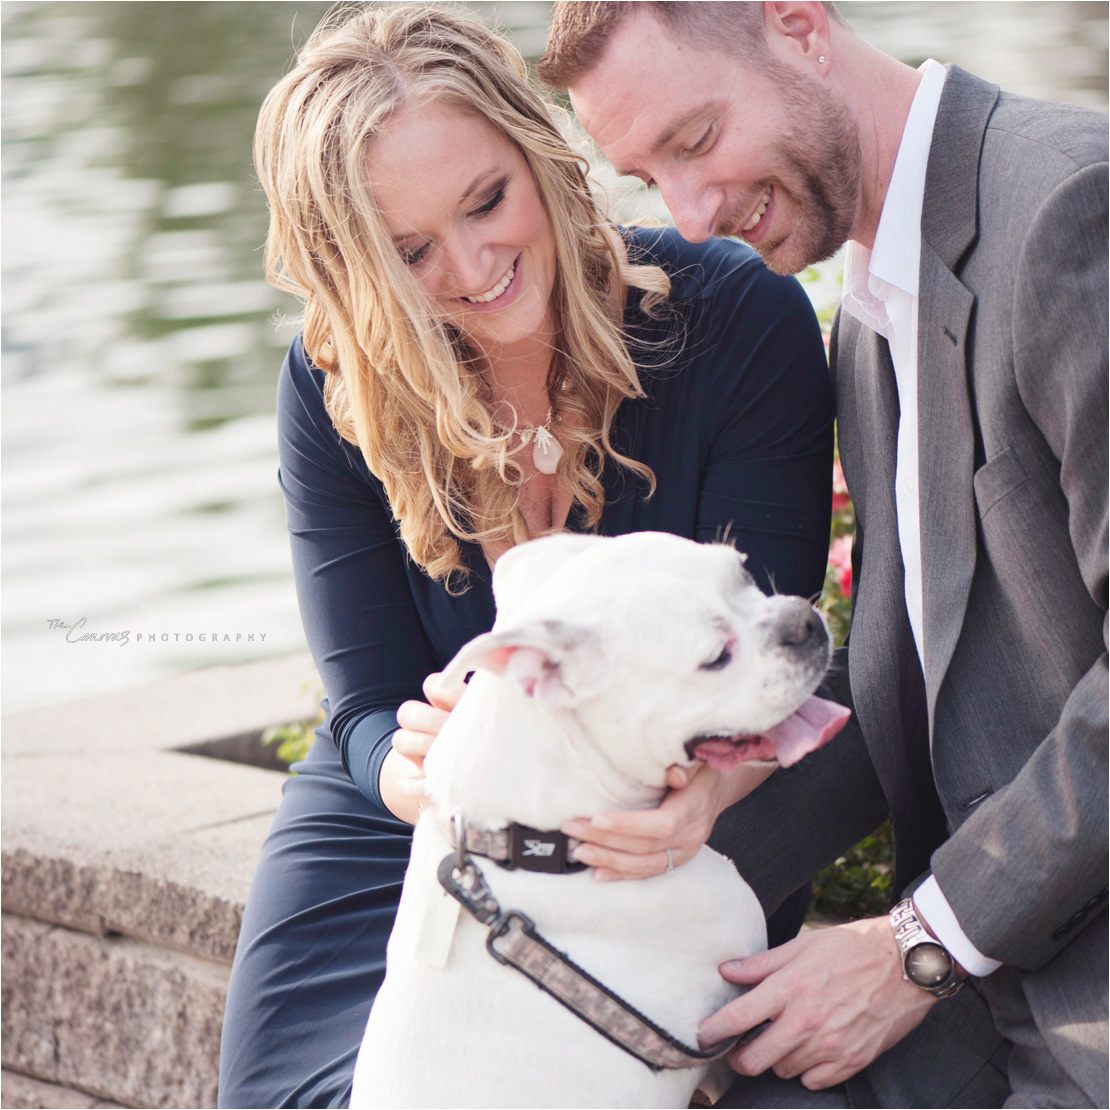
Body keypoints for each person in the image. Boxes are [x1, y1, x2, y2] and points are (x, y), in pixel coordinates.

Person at [218, 5, 839, 1106]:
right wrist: (410, 775)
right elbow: (363, 704)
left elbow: (765, 661)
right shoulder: (334, 387)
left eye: (487, 200)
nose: (472, 266)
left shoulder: (738, 319)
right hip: (406, 832)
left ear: (537, 151)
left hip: (659, 821)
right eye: (410, 251)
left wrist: (704, 805)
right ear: (355, 264)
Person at [539, 1, 1109, 1106]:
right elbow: (931, 677)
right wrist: (696, 814)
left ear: (797, 25)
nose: (692, 219)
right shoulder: (865, 316)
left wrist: (918, 946)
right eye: (651, 177)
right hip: (1006, 975)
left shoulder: (1069, 213)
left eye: (696, 139)